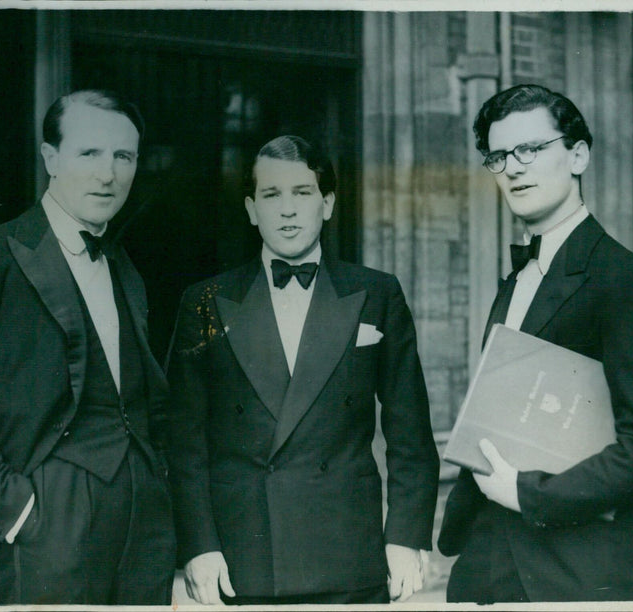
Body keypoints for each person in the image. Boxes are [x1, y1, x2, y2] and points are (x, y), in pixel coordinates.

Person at [0, 89, 177, 605]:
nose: (109, 173)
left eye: (123, 156)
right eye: (89, 153)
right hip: (49, 529)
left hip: (144, 527)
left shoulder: (127, 268)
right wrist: (19, 514)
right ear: (50, 157)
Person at [165, 135, 439, 605]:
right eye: (271, 196)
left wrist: (405, 536)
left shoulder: (376, 293)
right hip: (241, 557)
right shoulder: (205, 301)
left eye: (303, 193)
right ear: (251, 209)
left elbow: (410, 430)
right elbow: (183, 442)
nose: (287, 210)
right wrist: (199, 545)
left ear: (328, 203)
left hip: (349, 553)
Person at [438, 84, 633, 602]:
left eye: (530, 150)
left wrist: (527, 496)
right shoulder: (517, 279)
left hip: (584, 566)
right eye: (499, 156)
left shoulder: (626, 279)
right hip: (492, 560)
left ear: (578, 154)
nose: (514, 168)